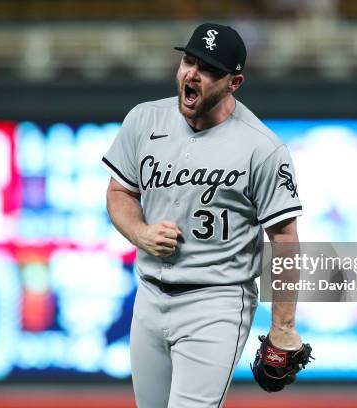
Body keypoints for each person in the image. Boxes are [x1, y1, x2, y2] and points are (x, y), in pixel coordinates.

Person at [102, 22, 305, 407]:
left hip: (216, 303)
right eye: (189, 61)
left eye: (209, 68)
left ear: (235, 82)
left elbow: (284, 239)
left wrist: (283, 327)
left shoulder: (261, 148)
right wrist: (139, 232)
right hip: (148, 295)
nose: (193, 73)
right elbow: (119, 191)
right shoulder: (144, 120)